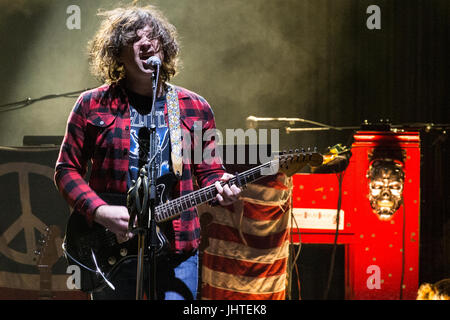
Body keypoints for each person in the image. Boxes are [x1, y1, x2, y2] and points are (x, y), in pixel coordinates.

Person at [54, 5, 241, 300]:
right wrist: (100, 212)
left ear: (164, 48)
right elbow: (66, 170)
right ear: (117, 51)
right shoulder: (92, 104)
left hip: (177, 249)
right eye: (133, 38)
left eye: (153, 37)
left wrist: (222, 186)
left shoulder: (194, 107)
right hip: (112, 246)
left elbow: (210, 172)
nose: (145, 43)